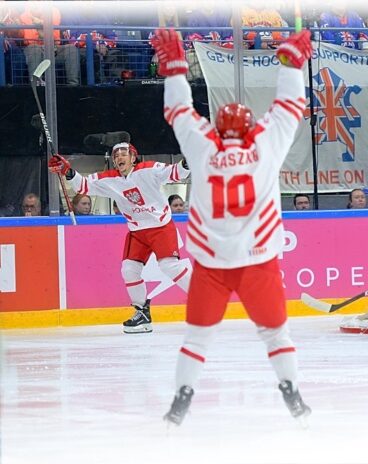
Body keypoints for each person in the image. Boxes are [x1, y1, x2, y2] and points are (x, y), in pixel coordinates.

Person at [150, 28, 312, 426]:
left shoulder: (203, 147)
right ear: (249, 125)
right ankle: (292, 396)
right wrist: (291, 63)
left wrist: (174, 67)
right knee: (276, 335)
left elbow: (179, 112)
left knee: (197, 338)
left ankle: (181, 402)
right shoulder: (265, 144)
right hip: (258, 261)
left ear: (219, 128)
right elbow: (291, 106)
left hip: (211, 263)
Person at [48, 142, 192, 334]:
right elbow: (83, 186)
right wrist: (68, 172)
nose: (119, 157)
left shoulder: (148, 170)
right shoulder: (110, 179)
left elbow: (175, 172)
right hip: (137, 231)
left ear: (133, 157)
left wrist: (189, 160)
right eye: (116, 155)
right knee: (129, 270)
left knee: (170, 266)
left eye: (124, 154)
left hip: (160, 227)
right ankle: (142, 313)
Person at [19, 1, 79, 86]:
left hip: (54, 48)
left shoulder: (53, 11)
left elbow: (53, 36)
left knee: (71, 48)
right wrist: (43, 28)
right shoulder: (24, 16)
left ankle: (73, 85)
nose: (37, 4)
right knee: (34, 48)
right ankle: (36, 85)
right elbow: (30, 39)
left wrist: (40, 24)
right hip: (35, 49)